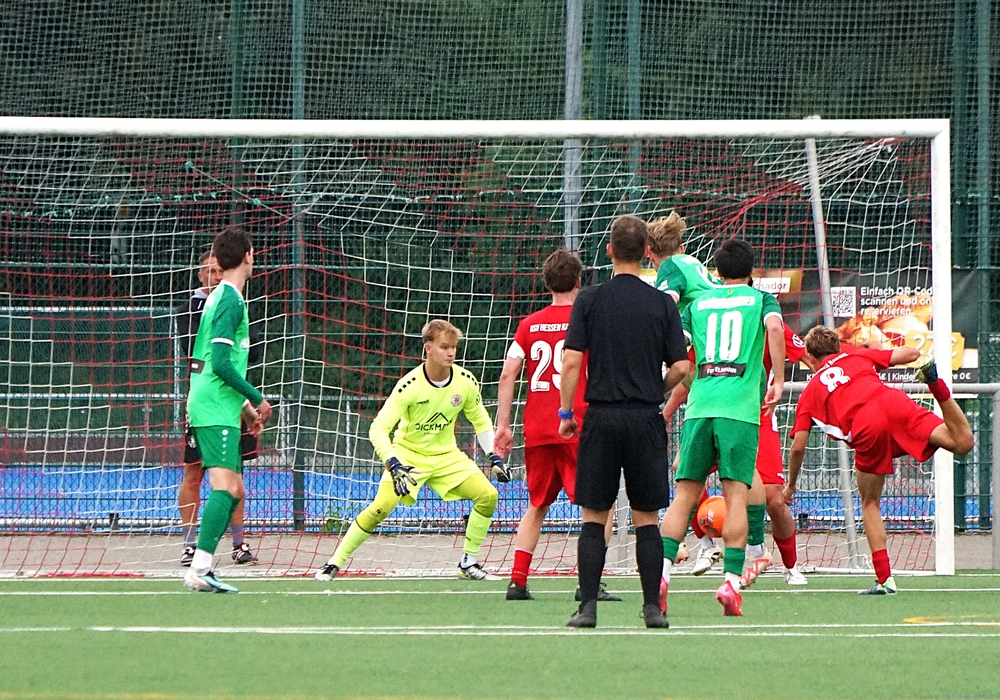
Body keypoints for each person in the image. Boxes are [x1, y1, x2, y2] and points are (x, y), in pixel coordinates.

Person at [558, 214, 691, 629]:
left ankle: (588, 608)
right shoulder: (661, 304)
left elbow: (571, 361)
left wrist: (566, 413)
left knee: (594, 517)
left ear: (610, 250)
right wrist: (654, 388)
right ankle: (652, 608)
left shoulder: (589, 300)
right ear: (647, 252)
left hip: (600, 416)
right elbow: (682, 367)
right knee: (647, 517)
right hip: (644, 417)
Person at [315, 319, 510, 581]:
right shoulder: (409, 385)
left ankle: (468, 563)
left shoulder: (465, 381)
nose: (451, 352)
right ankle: (333, 562)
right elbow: (378, 428)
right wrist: (392, 462)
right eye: (444, 347)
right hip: (407, 457)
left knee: (488, 495)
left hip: (447, 457)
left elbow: (480, 420)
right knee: (380, 508)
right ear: (428, 348)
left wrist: (493, 456)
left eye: (453, 347)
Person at [784, 326, 973, 594]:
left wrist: (791, 485)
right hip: (893, 404)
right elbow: (911, 353)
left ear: (810, 358)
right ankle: (935, 383)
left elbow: (797, 448)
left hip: (866, 425)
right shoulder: (856, 356)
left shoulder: (809, 392)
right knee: (962, 443)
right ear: (836, 348)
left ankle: (885, 579)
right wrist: (879, 350)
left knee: (870, 502)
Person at [659, 238, 785, 618]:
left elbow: (676, 349)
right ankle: (730, 583)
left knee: (684, 496)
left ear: (716, 272)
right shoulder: (761, 299)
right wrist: (779, 379)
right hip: (738, 411)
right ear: (752, 271)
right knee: (735, 498)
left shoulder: (697, 305)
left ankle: (660, 576)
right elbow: (775, 329)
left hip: (699, 407)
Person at [495, 249, 620, 603]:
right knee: (599, 505)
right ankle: (589, 583)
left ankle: (518, 580)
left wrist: (503, 425)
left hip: (537, 428)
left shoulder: (528, 325)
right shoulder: (589, 320)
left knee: (536, 505)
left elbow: (508, 373)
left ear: (546, 284)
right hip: (577, 424)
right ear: (579, 281)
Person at [183, 227, 273, 593]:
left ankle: (203, 565)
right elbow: (220, 362)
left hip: (222, 403)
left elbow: (220, 359)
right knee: (223, 486)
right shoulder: (230, 300)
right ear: (249, 256)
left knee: (234, 488)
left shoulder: (223, 296)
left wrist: (246, 408)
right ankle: (200, 566)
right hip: (214, 405)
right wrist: (256, 397)